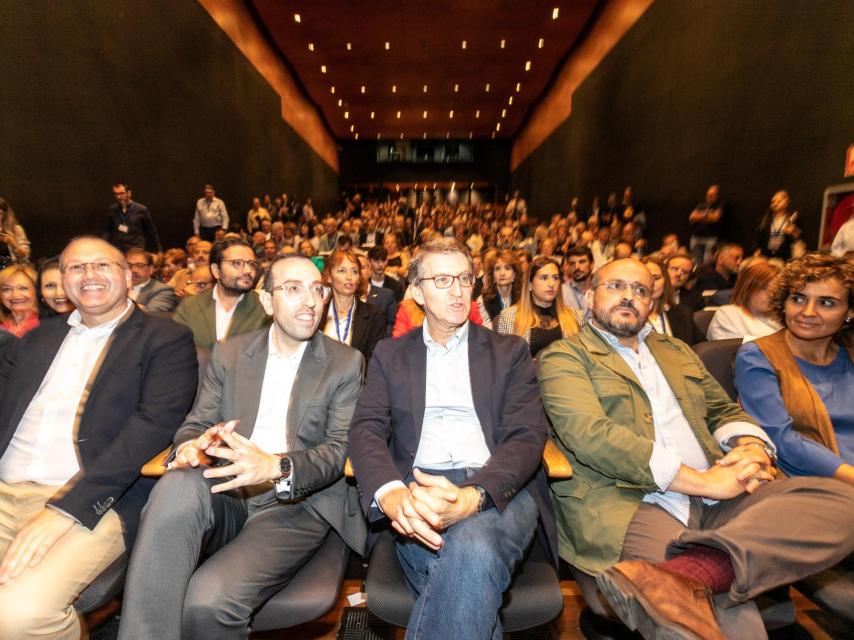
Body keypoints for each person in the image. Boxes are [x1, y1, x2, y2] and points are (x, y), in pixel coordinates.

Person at [539, 258, 854, 640]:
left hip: (719, 493)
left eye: (640, 290)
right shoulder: (566, 357)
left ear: (651, 304)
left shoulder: (677, 351)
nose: (628, 296)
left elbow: (722, 409)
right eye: (615, 286)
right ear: (589, 297)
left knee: (840, 503)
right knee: (719, 623)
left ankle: (693, 571)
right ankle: (704, 572)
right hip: (632, 499)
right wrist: (701, 483)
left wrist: (751, 445)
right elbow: (591, 434)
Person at [118, 254, 366, 639]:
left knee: (207, 602)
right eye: (293, 289)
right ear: (267, 301)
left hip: (294, 504)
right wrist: (189, 446)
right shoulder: (231, 353)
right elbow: (196, 424)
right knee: (176, 485)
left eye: (318, 290)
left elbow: (337, 451)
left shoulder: (344, 362)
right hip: (226, 488)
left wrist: (275, 466)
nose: (310, 301)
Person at [349, 238, 556, 640]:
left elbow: (527, 435)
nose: (458, 290)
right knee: (472, 576)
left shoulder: (508, 351)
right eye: (442, 280)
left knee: (473, 549)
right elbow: (366, 428)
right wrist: (391, 494)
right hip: (419, 493)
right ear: (416, 291)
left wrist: (474, 496)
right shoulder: (389, 355)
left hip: (499, 489)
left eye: (464, 278)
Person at [0, 236, 197, 640]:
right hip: (5, 488)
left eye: (101, 265)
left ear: (128, 277)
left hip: (90, 497)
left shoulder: (164, 338)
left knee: (19, 616)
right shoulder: (37, 339)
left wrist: (65, 509)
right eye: (75, 267)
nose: (88, 275)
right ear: (60, 281)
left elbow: (152, 428)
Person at [735, 253, 854, 480]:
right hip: (818, 481)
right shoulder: (758, 356)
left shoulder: (849, 353)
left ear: (849, 312)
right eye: (798, 299)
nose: (807, 312)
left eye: (826, 303)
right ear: (784, 303)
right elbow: (780, 440)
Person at [173, 238, 270, 351]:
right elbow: (173, 350)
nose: (248, 270)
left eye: (252, 264)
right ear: (216, 270)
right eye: (238, 263)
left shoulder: (265, 309)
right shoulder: (189, 307)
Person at [497, 257, 581, 358]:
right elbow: (504, 361)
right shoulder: (509, 317)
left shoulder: (576, 316)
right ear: (530, 284)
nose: (551, 284)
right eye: (544, 278)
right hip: (527, 373)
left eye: (555, 278)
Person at [321, 249, 386, 364]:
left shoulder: (374, 315)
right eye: (342, 271)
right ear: (329, 277)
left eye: (355, 271)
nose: (349, 277)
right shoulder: (318, 314)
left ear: (359, 279)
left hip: (357, 380)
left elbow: (373, 363)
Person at [707, 261, 781, 341]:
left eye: (777, 290)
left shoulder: (782, 318)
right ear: (747, 289)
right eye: (766, 289)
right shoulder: (727, 315)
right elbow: (728, 351)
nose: (772, 295)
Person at [642, 256, 705, 345]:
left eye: (656, 278)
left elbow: (701, 348)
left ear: (665, 281)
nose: (651, 284)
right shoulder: (625, 316)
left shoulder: (683, 314)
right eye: (644, 278)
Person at [104, 182, 162, 254]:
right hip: (118, 250)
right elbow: (108, 230)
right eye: (116, 194)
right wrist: (103, 246)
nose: (119, 197)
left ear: (129, 193)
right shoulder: (113, 209)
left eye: (122, 193)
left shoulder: (141, 209)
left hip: (136, 251)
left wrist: (159, 250)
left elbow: (151, 231)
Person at [476, 249, 520, 329]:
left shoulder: (523, 298)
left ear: (514, 274)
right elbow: (488, 330)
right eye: (497, 269)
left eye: (507, 268)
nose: (502, 273)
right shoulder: (483, 300)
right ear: (492, 275)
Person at [126, 248, 179, 313]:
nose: (133, 270)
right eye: (128, 265)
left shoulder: (163, 290)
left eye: (140, 266)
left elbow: (152, 314)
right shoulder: (117, 286)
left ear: (150, 269)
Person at [358, 254, 397, 337]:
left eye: (362, 267)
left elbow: (393, 326)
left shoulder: (386, 295)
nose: (358, 271)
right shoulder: (345, 297)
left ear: (369, 270)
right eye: (354, 269)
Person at [754, 190, 800, 260]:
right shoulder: (765, 220)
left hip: (784, 260)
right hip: (766, 258)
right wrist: (756, 253)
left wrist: (793, 232)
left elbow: (798, 239)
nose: (775, 204)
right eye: (773, 202)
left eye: (779, 201)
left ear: (786, 202)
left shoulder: (793, 219)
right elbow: (759, 241)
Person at [0, 264, 39, 337]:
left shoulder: (45, 325)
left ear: (37, 291)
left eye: (23, 288)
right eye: (7, 289)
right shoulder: (2, 329)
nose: (15, 295)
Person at [689, 185, 724, 265]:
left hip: (710, 238)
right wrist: (706, 215)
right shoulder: (701, 204)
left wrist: (700, 215)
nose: (709, 196)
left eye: (712, 195)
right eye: (708, 194)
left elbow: (715, 218)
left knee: (707, 262)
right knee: (696, 261)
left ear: (716, 195)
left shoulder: (719, 205)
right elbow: (692, 217)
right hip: (696, 236)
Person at [562, 246, 594, 320]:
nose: (577, 267)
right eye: (572, 263)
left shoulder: (601, 291)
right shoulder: (561, 291)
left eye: (582, 262)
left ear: (592, 265)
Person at [0, 197, 31, 267]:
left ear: (5, 215)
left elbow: (25, 257)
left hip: (9, 272)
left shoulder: (16, 230)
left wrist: (13, 244)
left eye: (0, 213)